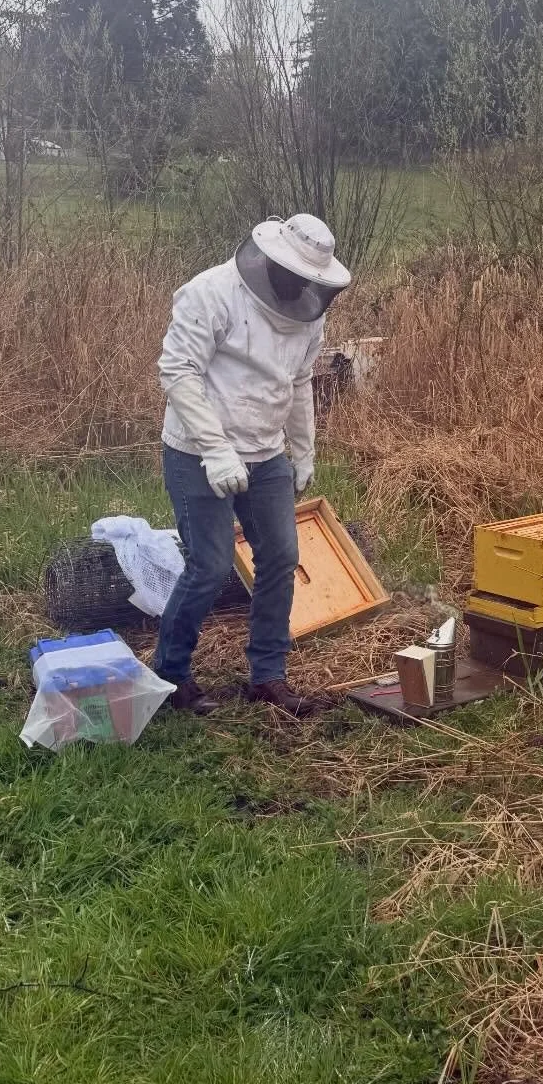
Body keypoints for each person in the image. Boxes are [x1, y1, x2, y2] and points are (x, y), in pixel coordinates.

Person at [151, 213, 351, 716]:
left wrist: (303, 449)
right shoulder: (209, 293)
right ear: (270, 260)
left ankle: (268, 675)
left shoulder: (309, 313)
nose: (302, 287)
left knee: (282, 557)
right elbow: (178, 372)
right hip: (198, 451)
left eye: (312, 281)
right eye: (296, 276)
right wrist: (216, 451)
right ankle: (171, 676)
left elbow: (300, 381)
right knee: (210, 565)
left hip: (266, 453)